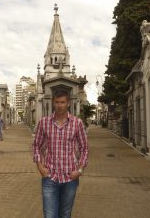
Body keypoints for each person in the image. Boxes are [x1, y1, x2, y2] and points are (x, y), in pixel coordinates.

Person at [32, 90, 89, 218]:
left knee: (65, 215)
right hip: (50, 177)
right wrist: (40, 167)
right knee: (50, 215)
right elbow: (36, 145)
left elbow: (84, 148)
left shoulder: (77, 123)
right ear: (53, 103)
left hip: (70, 177)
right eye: (57, 102)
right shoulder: (44, 122)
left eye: (62, 102)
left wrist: (79, 170)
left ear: (68, 103)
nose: (60, 105)